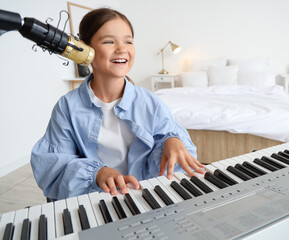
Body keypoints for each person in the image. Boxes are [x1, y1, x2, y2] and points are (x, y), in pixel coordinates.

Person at [31, 8, 205, 201]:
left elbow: (169, 139)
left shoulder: (150, 102)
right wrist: (98, 174)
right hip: (93, 200)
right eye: (109, 41)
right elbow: (54, 166)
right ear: (84, 50)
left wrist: (172, 141)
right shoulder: (67, 107)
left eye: (128, 41)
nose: (122, 49)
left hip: (142, 198)